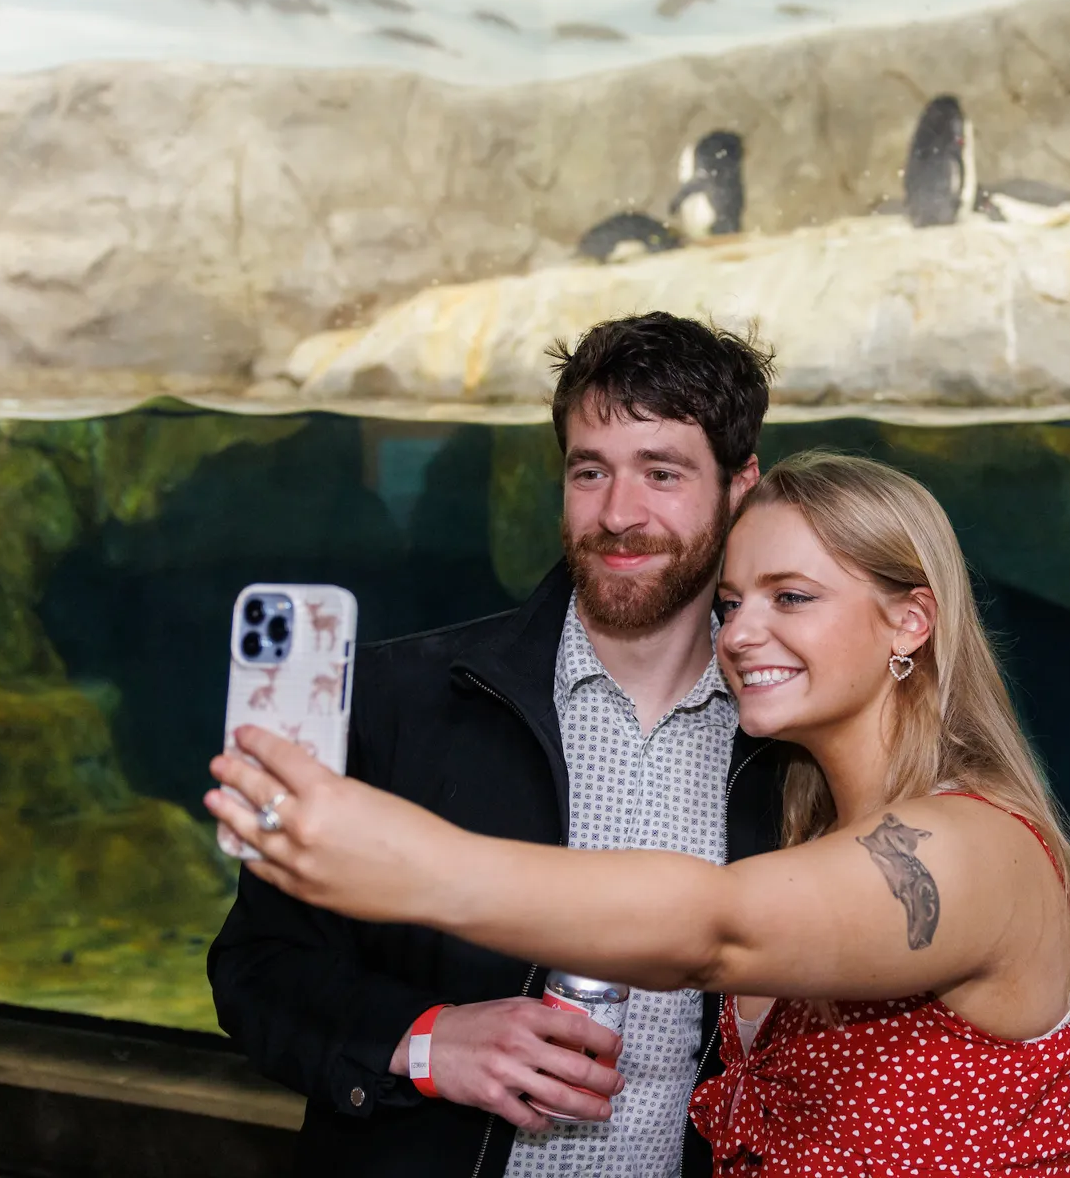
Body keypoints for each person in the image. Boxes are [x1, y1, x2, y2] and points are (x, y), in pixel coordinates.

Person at [209, 450, 1070, 1176]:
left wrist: (420, 865)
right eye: (728, 603)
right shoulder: (808, 828)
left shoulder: (974, 844)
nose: (739, 633)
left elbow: (710, 929)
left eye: (792, 597)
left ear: (910, 623)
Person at [206, 311, 786, 1178]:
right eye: (590, 472)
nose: (618, 513)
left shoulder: (786, 743)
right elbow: (256, 971)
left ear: (740, 488)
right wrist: (427, 1039)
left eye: (661, 472)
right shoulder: (405, 700)